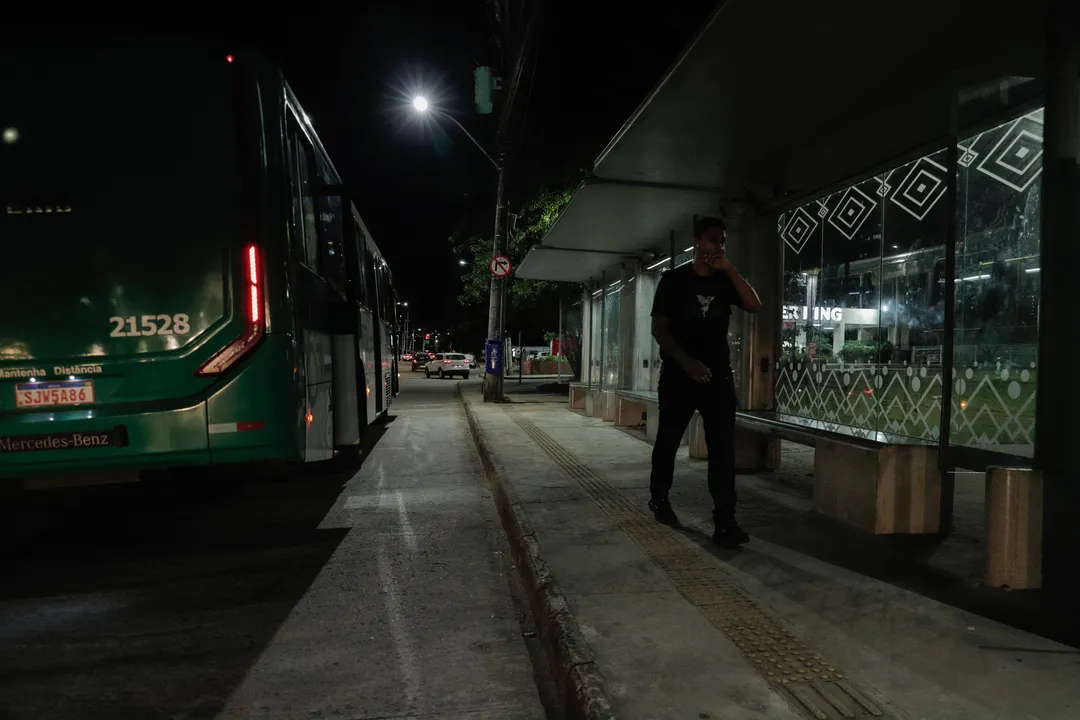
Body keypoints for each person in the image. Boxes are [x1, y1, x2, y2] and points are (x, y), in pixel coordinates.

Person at [648, 216, 762, 548]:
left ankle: (725, 520)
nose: (719, 246)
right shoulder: (673, 281)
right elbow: (659, 329)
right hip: (678, 376)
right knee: (668, 441)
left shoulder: (725, 281)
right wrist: (687, 362)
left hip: (717, 377)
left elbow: (754, 305)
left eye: (723, 241)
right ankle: (660, 498)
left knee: (723, 450)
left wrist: (729, 268)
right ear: (697, 241)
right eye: (713, 239)